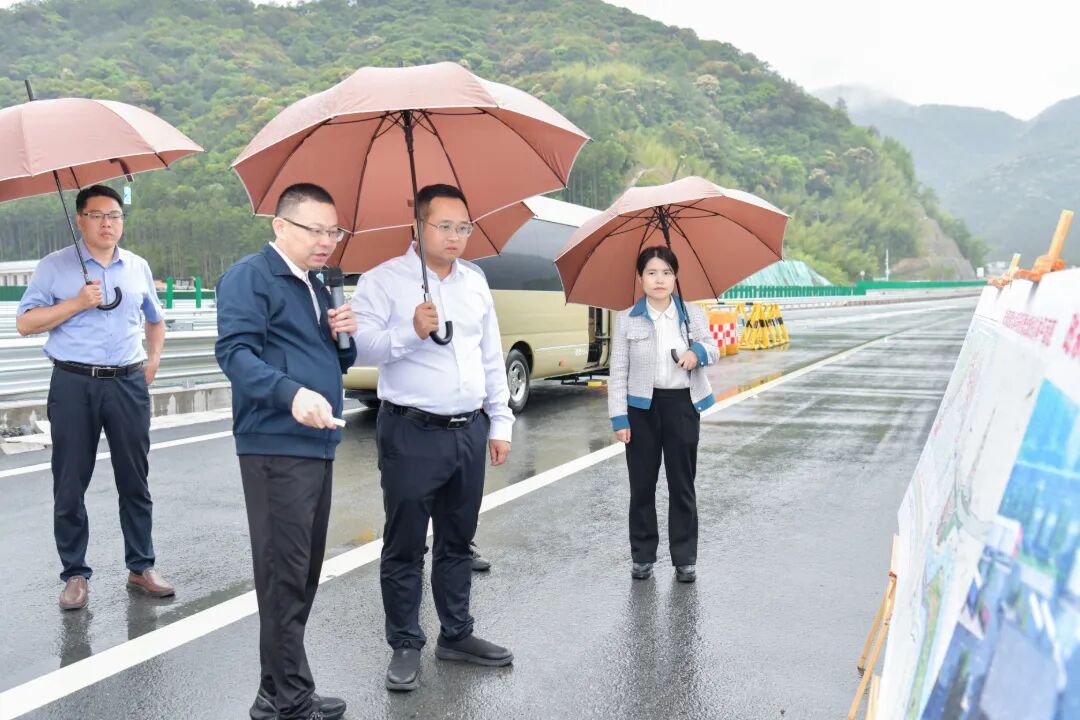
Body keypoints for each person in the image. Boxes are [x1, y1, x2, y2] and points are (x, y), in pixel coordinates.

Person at [351, 183, 514, 692]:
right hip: (410, 431)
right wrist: (410, 331)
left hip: (468, 430)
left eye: (464, 227)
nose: (455, 236)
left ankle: (457, 634)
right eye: (444, 226)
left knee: (458, 540)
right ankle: (405, 643)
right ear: (417, 226)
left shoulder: (476, 281)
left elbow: (490, 354)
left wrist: (500, 421)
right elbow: (361, 348)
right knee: (404, 544)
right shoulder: (381, 281)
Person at [215, 183, 356, 720]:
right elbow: (235, 353)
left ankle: (275, 692)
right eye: (314, 230)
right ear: (280, 226)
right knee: (284, 575)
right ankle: (292, 701)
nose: (326, 242)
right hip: (276, 443)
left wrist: (345, 337)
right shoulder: (252, 277)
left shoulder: (317, 285)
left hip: (317, 441)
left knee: (299, 575)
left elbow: (328, 362)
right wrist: (291, 394)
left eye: (333, 231)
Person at [16, 184, 173, 610]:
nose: (108, 223)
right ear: (80, 220)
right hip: (73, 383)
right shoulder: (55, 267)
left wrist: (153, 359)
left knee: (135, 479)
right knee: (70, 482)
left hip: (127, 383)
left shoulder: (137, 266)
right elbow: (25, 323)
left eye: (115, 215)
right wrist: (76, 303)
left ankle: (141, 566)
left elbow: (155, 319)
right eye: (98, 215)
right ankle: (75, 574)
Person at [608, 246, 719, 583]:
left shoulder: (692, 314)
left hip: (682, 405)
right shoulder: (626, 318)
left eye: (667, 272)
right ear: (640, 278)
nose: (660, 279)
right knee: (642, 486)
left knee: (682, 484)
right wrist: (619, 417)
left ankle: (685, 558)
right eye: (652, 273)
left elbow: (713, 348)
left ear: (675, 277)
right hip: (641, 409)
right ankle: (642, 555)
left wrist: (697, 352)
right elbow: (618, 370)